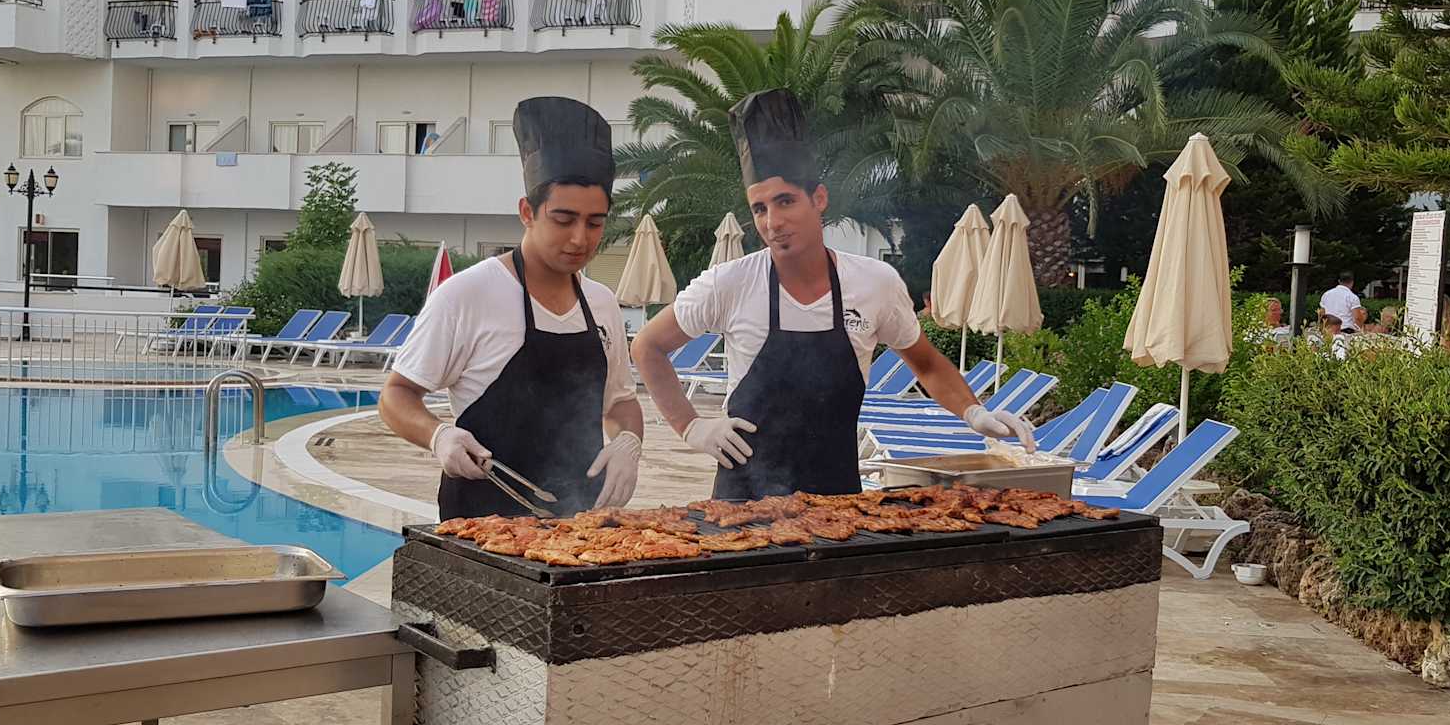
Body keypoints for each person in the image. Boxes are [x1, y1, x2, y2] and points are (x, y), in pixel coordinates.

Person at [631, 88, 1034, 500]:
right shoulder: (729, 283)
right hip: (743, 505)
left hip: (839, 504)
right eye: (759, 208)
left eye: (785, 201)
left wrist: (973, 412)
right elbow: (647, 346)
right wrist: (692, 426)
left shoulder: (874, 283)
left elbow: (927, 364)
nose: (772, 222)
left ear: (819, 198)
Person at [380, 96, 645, 518]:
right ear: (527, 212)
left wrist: (629, 441)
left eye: (595, 222)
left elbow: (620, 404)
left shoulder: (602, 303)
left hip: (581, 523)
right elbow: (396, 395)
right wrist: (438, 436)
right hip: (482, 527)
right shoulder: (467, 295)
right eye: (563, 219)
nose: (580, 238)